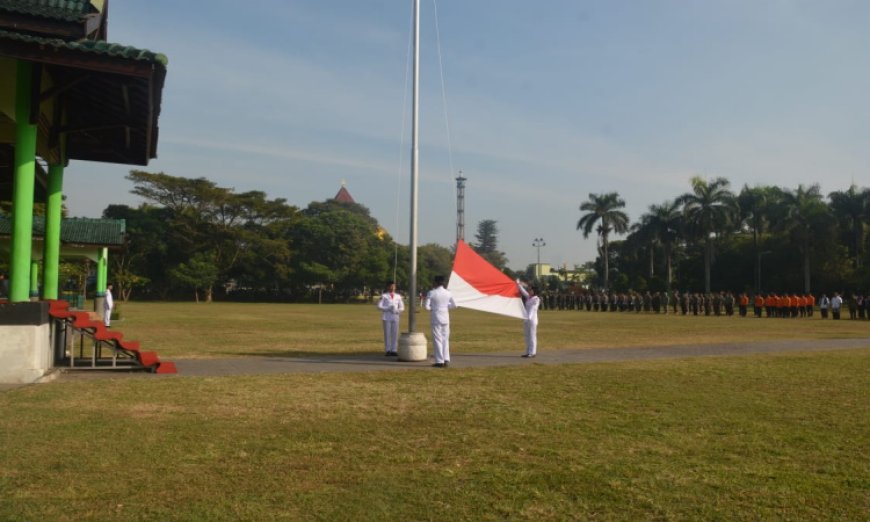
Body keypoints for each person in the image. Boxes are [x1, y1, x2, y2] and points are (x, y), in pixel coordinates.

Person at [424, 275, 456, 368]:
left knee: (437, 339)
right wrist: (445, 307)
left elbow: (426, 306)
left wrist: (433, 309)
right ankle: (446, 358)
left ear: (436, 282)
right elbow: (454, 305)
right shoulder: (448, 293)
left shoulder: (432, 292)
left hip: (436, 317)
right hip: (445, 317)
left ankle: (439, 360)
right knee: (445, 339)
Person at [376, 280, 404, 356]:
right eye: (391, 286)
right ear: (388, 287)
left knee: (395, 333)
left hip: (395, 316)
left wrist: (397, 310)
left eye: (394, 286)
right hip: (386, 316)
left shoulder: (398, 296)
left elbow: (402, 307)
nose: (393, 287)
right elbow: (379, 306)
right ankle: (388, 350)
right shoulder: (384, 296)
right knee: (387, 334)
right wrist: (387, 308)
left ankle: (394, 350)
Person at [517, 279, 540, 358]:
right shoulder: (529, 297)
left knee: (532, 336)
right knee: (527, 336)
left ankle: (532, 352)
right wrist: (519, 284)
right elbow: (523, 292)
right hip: (526, 319)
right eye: (529, 290)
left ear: (534, 291)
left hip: (532, 319)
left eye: (530, 290)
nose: (529, 291)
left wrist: (528, 318)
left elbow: (533, 309)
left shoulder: (536, 299)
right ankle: (527, 352)